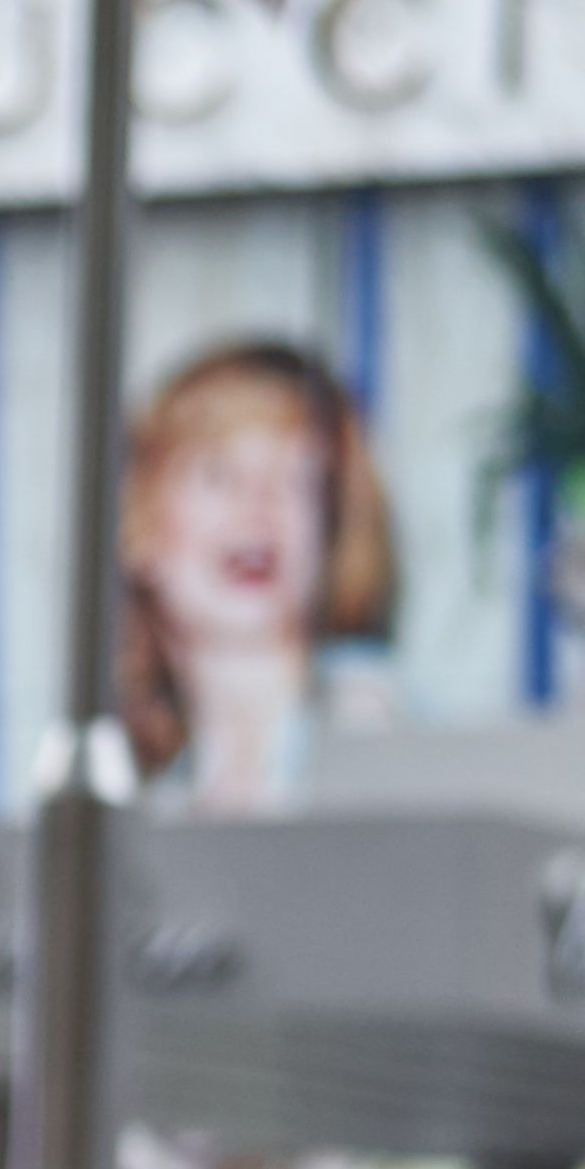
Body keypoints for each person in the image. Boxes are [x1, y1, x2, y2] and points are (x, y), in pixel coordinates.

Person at [117, 338, 396, 816]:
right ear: (141, 529)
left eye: (297, 479)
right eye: (218, 475)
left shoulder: (393, 739)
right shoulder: (139, 804)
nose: (258, 506)